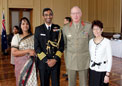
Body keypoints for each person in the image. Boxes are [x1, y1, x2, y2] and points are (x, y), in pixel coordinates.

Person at [62, 6, 93, 86]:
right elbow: (64, 45)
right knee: (71, 83)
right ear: (71, 15)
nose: (75, 15)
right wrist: (67, 58)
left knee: (84, 83)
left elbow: (91, 44)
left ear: (81, 14)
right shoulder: (65, 28)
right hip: (71, 60)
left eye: (77, 13)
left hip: (84, 60)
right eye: (73, 13)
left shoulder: (88, 26)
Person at [34, 8, 64, 86]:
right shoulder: (38, 29)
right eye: (46, 15)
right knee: (44, 83)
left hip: (55, 62)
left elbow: (61, 46)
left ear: (52, 16)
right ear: (43, 16)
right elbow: (36, 47)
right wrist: (46, 60)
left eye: (50, 14)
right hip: (43, 62)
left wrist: (55, 59)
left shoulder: (58, 28)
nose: (48, 16)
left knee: (56, 84)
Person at [11, 17, 37, 86]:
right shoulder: (16, 37)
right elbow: (14, 52)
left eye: (27, 23)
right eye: (23, 24)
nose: (25, 25)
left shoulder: (34, 36)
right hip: (21, 66)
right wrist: (28, 50)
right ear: (20, 25)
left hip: (32, 65)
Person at [89, 20, 112, 86]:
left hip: (102, 70)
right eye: (94, 29)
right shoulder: (91, 41)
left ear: (102, 30)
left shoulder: (106, 42)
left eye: (98, 29)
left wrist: (107, 74)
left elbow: (109, 58)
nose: (96, 31)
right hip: (92, 69)